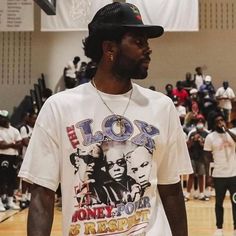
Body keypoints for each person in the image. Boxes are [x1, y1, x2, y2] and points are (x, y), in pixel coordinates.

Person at [19, 2, 192, 236]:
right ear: (109, 48)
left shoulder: (162, 107)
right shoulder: (59, 107)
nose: (148, 49)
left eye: (147, 42)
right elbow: (43, 195)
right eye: (138, 42)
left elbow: (171, 189)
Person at [204, 112, 236, 236]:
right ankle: (219, 228)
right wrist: (209, 176)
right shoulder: (210, 137)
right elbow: (206, 159)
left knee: (235, 202)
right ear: (213, 123)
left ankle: (235, 228)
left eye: (222, 120)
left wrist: (226, 130)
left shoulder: (232, 133)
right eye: (217, 121)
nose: (220, 122)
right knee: (219, 203)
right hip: (219, 176)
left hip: (234, 175)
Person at [0, 110, 22, 211]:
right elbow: (1, 145)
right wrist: (13, 144)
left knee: (12, 180)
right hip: (2, 156)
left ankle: (10, 201)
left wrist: (9, 144)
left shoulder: (14, 131)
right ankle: (0, 202)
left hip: (13, 157)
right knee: (1, 180)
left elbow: (20, 144)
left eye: (3, 118)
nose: (2, 120)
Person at [185, 116, 209, 201]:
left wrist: (202, 141)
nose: (200, 122)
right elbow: (187, 146)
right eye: (198, 121)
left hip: (202, 157)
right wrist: (192, 139)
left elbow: (208, 146)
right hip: (192, 157)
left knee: (201, 175)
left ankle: (201, 194)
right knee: (191, 175)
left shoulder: (207, 133)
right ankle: (187, 194)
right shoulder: (192, 132)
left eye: (201, 121)